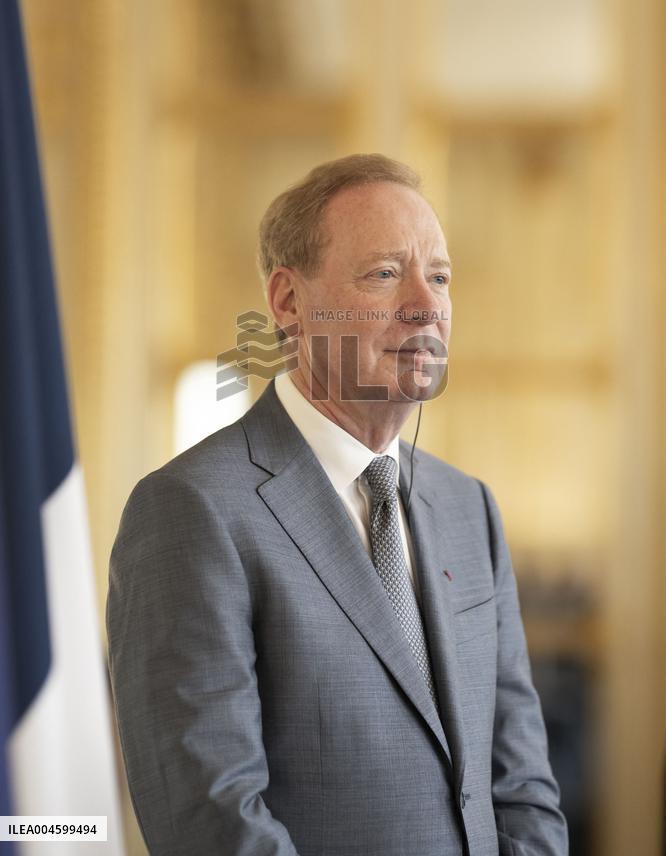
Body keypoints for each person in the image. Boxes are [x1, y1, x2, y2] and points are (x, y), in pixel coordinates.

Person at [107, 153, 568, 856]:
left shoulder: (469, 507)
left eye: (440, 277)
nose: (426, 306)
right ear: (289, 303)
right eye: (385, 273)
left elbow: (523, 787)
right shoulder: (190, 510)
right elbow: (211, 818)